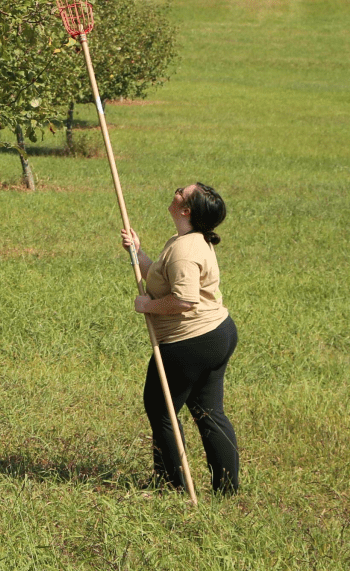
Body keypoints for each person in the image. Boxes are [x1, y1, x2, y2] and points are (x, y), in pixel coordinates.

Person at [122, 182, 239, 494]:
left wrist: (149, 306)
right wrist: (137, 252)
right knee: (209, 412)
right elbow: (162, 279)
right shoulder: (187, 240)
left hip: (192, 341)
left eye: (180, 191)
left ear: (186, 210)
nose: (174, 191)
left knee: (161, 410)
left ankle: (172, 486)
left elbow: (184, 301)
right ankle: (227, 491)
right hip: (217, 333)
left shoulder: (185, 250)